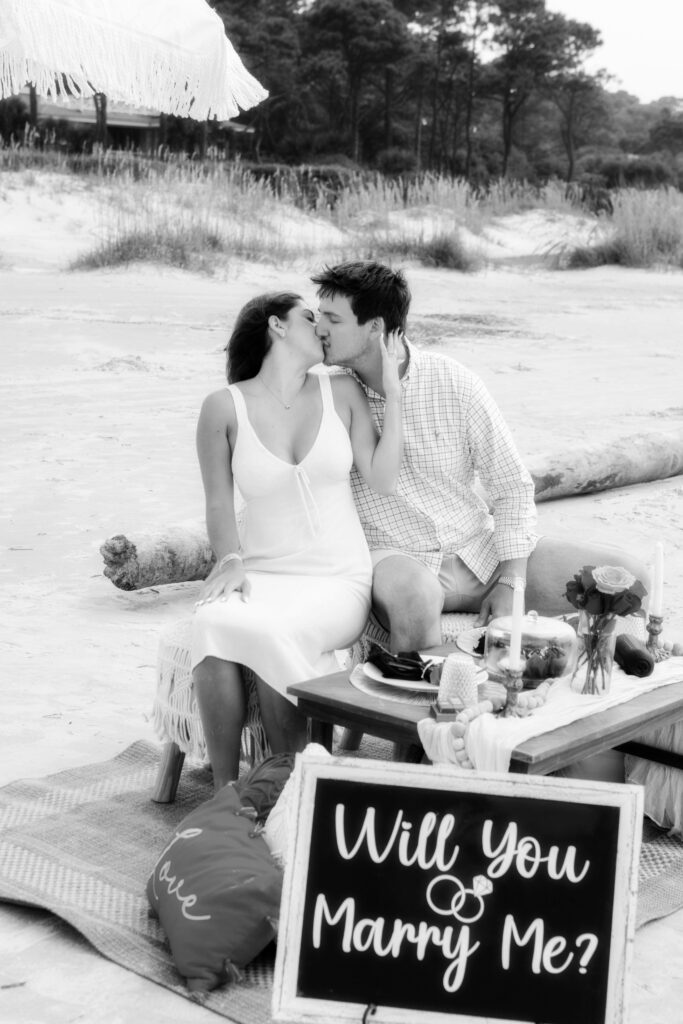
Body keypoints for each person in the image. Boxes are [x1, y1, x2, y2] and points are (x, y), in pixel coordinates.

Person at [312, 260, 649, 654]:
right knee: (414, 597)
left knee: (629, 579)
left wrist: (511, 582)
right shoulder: (331, 397)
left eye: (332, 319)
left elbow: (512, 488)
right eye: (319, 316)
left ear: (375, 327)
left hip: (479, 551)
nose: (320, 328)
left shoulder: (454, 382)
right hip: (399, 558)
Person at [191, 291, 403, 789]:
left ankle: (297, 789)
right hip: (263, 572)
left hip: (338, 580)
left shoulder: (342, 392)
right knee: (211, 621)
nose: (322, 327)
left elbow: (383, 477)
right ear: (277, 327)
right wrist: (231, 561)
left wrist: (394, 396)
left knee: (273, 630)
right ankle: (227, 796)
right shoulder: (222, 408)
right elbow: (219, 504)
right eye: (310, 317)